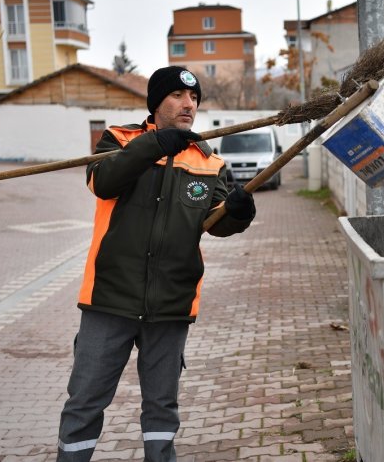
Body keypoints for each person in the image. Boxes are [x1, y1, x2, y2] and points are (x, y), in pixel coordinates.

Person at [56, 66, 255, 461]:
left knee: (162, 406)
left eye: (195, 98)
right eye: (179, 96)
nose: (189, 105)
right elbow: (103, 183)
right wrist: (154, 145)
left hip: (171, 303)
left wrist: (238, 214)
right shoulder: (119, 139)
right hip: (109, 298)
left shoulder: (207, 160)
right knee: (85, 400)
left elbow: (215, 223)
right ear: (156, 101)